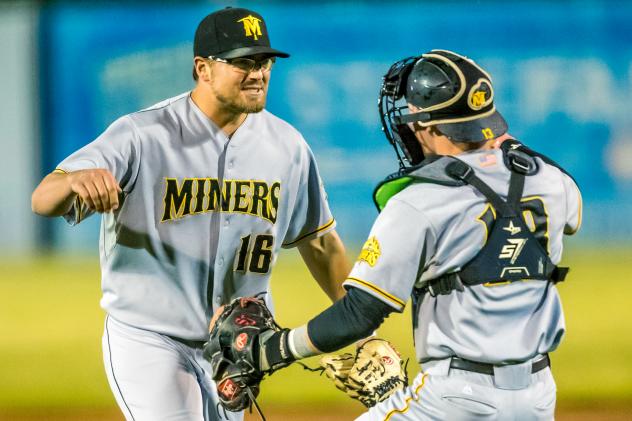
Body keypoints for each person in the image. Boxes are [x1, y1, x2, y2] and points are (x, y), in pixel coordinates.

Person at [31, 7, 350, 421]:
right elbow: (43, 198)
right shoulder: (142, 134)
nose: (258, 73)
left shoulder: (288, 146)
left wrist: (361, 327)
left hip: (236, 347)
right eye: (242, 62)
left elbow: (321, 243)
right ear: (203, 68)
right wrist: (72, 181)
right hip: (149, 337)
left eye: (264, 61)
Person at [253, 49, 582, 420]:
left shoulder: (418, 202)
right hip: (538, 397)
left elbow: (359, 314)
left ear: (428, 128)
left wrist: (275, 348)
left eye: (412, 118)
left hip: (454, 397)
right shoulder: (555, 183)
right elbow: (562, 209)